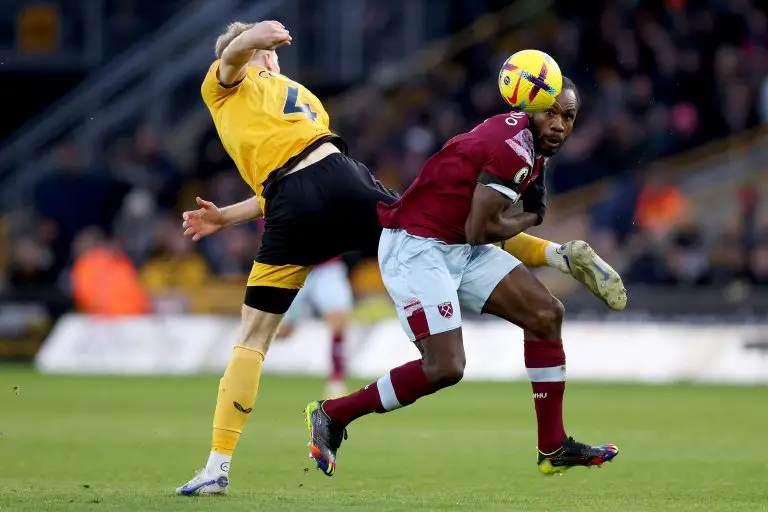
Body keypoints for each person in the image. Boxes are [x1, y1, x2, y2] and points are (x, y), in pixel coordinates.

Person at [177, 20, 625, 495]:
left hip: (292, 202)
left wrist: (251, 40)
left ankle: (216, 468)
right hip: (335, 177)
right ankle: (555, 255)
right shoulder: (283, 92)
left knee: (253, 338)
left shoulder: (231, 90)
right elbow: (248, 84)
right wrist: (227, 215)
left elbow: (280, 174)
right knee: (429, 220)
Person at [305, 79, 619, 478]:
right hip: (418, 247)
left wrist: (546, 243)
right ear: (530, 108)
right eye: (551, 113)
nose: (559, 124)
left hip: (455, 245)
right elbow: (480, 229)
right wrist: (534, 217)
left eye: (568, 116)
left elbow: (478, 229)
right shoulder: (513, 149)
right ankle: (332, 414)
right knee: (445, 367)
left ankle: (553, 446)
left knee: (545, 313)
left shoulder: (532, 144)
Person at [275, 256, 353, 399]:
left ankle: (336, 381)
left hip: (326, 268)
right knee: (281, 331)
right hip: (291, 268)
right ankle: (245, 361)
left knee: (339, 321)